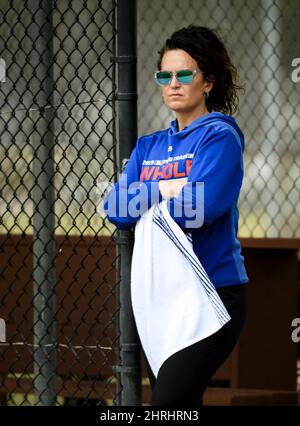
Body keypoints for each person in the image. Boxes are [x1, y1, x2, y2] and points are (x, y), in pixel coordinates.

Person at [103, 25, 249, 406]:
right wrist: (164, 189)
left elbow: (200, 208)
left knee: (169, 402)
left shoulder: (219, 137)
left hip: (212, 291)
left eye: (185, 73)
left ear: (208, 82)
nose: (174, 83)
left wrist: (146, 198)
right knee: (181, 406)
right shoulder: (149, 146)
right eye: (164, 75)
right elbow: (115, 209)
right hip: (162, 297)